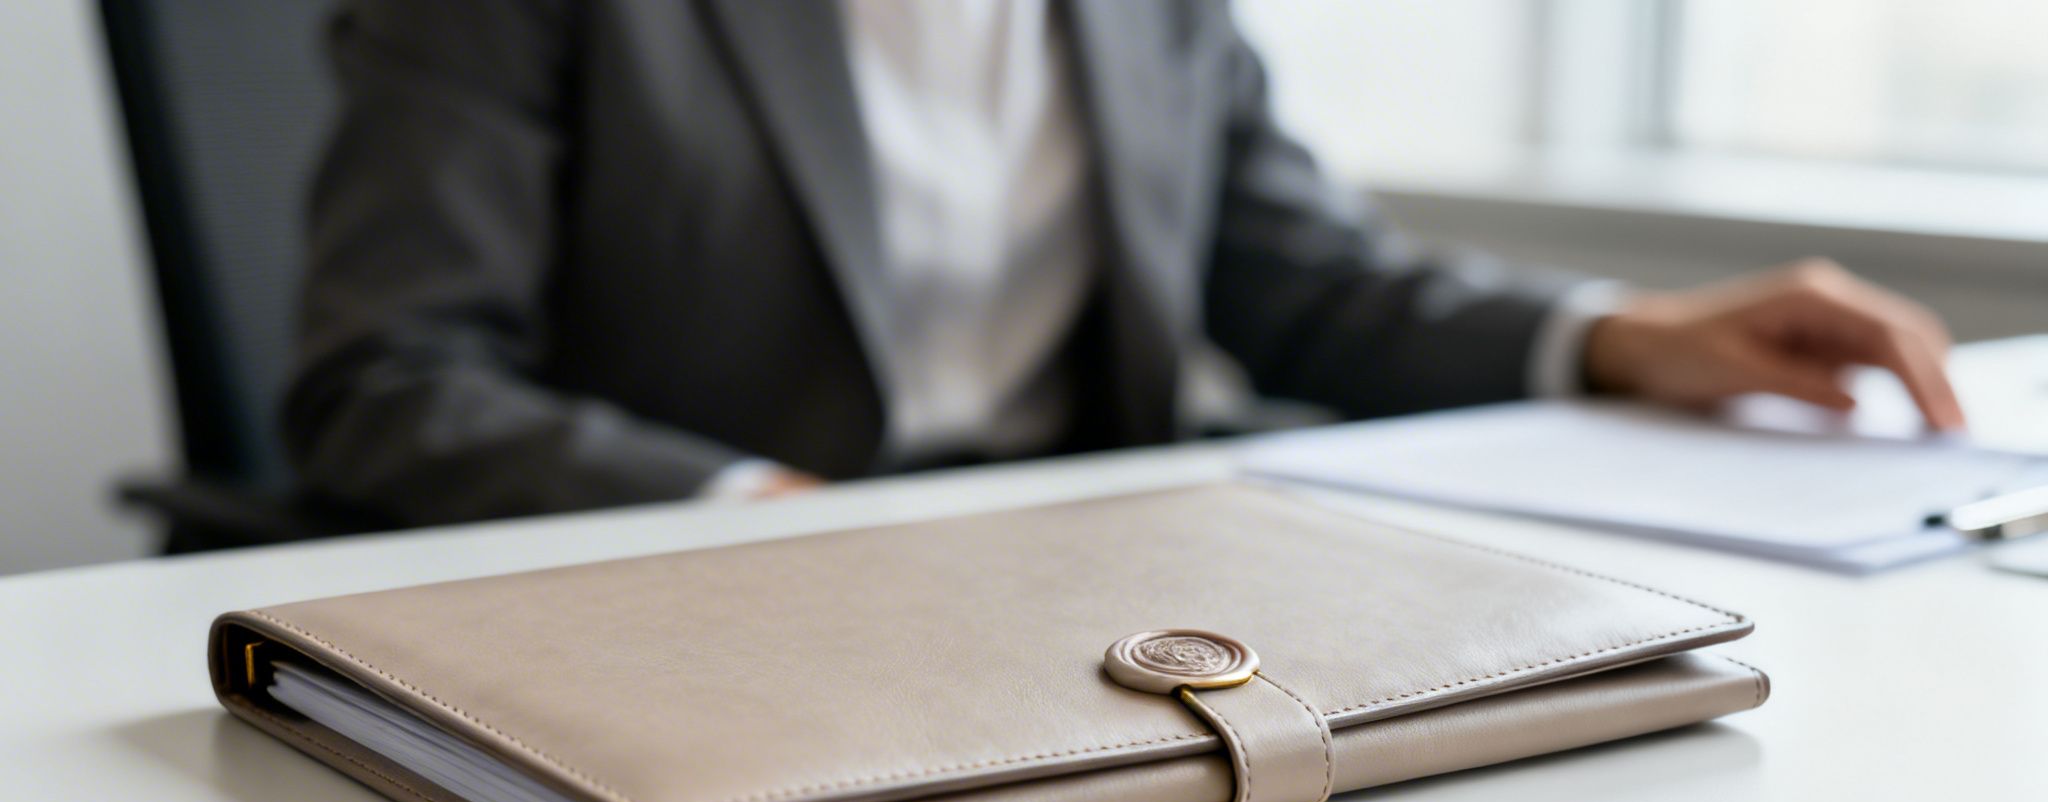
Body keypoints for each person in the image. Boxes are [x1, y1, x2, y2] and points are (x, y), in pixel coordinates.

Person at [286, 0, 1966, 526]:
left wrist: (1623, 335)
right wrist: (774, 524)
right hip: (707, 620)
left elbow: (1305, 285)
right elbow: (388, 389)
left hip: (1074, 607)